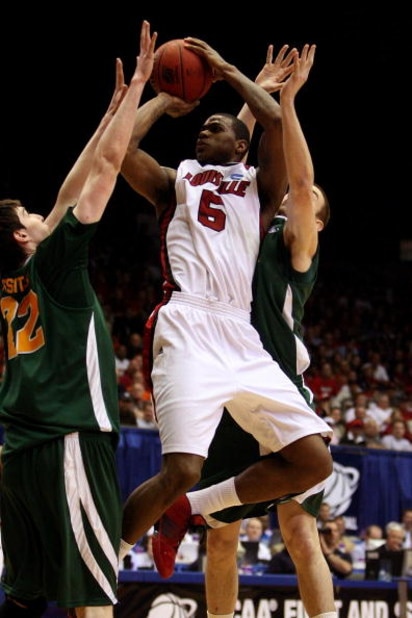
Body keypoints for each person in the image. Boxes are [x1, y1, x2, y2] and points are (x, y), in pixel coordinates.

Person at [118, 36, 333, 578]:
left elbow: (275, 127)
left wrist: (227, 70)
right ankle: (107, 560)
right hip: (187, 321)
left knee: (314, 462)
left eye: (218, 127)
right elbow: (120, 152)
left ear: (240, 148)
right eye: (202, 125)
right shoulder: (176, 183)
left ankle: (190, 510)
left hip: (240, 335)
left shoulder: (261, 192)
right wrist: (165, 100)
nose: (204, 129)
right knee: (182, 468)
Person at [0, 20, 157, 618]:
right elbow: (104, 173)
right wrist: (140, 83)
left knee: (24, 597)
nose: (45, 212)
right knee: (91, 600)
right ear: (23, 235)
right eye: (31, 213)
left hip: (19, 453)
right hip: (68, 440)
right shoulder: (56, 268)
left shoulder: (12, 276)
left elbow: (70, 190)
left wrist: (110, 110)